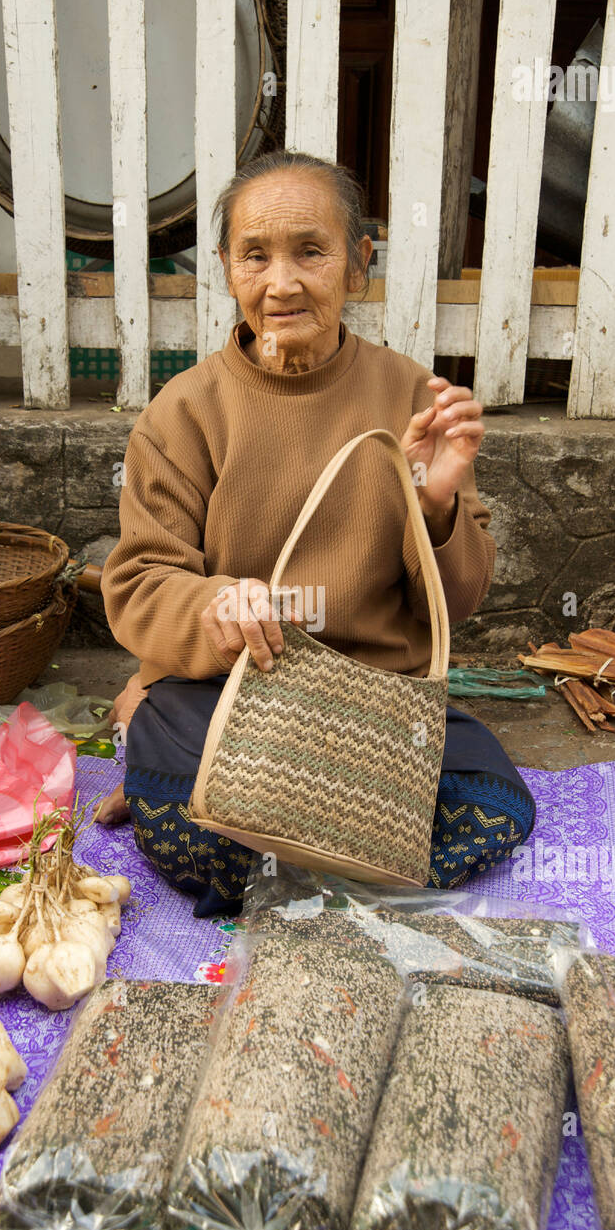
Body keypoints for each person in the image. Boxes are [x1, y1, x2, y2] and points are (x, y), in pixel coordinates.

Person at [97, 150, 535, 917]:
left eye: (311, 251)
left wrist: (434, 504)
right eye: (255, 255)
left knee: (495, 802)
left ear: (358, 265)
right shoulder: (184, 411)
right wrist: (217, 605)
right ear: (227, 267)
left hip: (373, 706)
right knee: (176, 757)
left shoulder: (410, 394)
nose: (282, 283)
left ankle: (280, 867)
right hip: (234, 698)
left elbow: (458, 601)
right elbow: (137, 585)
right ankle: (349, 868)